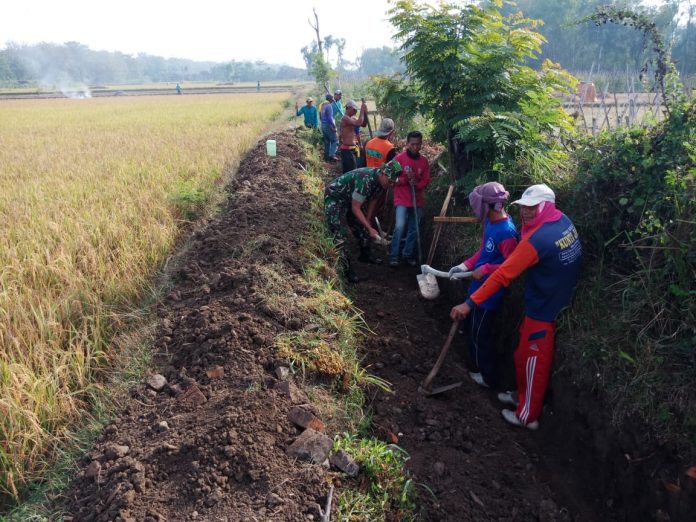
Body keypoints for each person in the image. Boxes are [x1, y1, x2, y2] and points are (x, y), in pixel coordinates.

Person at [450, 184, 582, 430]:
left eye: (532, 208)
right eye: (523, 207)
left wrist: (469, 303)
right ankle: (520, 396)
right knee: (521, 353)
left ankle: (527, 416)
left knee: (534, 361)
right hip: (543, 295)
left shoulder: (538, 240)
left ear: (546, 206)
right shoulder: (561, 221)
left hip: (545, 306)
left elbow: (502, 275)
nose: (525, 212)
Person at [448, 182, 519, 390]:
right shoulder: (490, 222)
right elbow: (484, 252)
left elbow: (511, 267)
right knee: (471, 329)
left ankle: (487, 377)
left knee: (481, 335)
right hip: (477, 287)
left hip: (490, 295)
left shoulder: (507, 233)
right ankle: (473, 363)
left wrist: (487, 269)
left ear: (489, 205)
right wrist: (464, 265)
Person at [324, 160, 403, 283]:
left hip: (350, 198)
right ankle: (346, 270)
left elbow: (373, 200)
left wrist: (368, 222)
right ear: (383, 174)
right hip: (336, 197)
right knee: (339, 233)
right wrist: (369, 228)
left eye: (394, 182)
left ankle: (365, 255)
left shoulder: (381, 183)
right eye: (390, 181)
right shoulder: (366, 180)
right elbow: (355, 208)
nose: (392, 184)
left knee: (362, 225)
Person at [389, 131, 431, 266]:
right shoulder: (398, 159)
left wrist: (417, 184)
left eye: (418, 144)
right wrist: (405, 179)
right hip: (402, 199)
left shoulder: (424, 161)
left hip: (417, 200)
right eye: (412, 144)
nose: (415, 147)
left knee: (414, 228)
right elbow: (391, 178)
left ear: (421, 144)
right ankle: (394, 255)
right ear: (407, 144)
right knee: (400, 226)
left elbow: (426, 180)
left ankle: (407, 254)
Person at [338, 100, 368, 173]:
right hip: (347, 150)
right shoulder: (345, 118)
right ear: (348, 108)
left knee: (355, 169)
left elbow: (363, 124)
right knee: (351, 172)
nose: (355, 112)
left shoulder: (351, 118)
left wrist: (365, 112)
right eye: (354, 110)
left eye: (356, 110)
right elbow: (358, 123)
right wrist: (362, 110)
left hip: (353, 149)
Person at [320, 94, 338, 162]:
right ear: (330, 99)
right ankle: (332, 155)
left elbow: (320, 116)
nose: (333, 100)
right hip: (328, 125)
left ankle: (326, 157)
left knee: (327, 142)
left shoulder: (323, 105)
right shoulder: (329, 106)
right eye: (332, 99)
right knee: (334, 140)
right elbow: (330, 118)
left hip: (323, 125)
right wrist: (334, 126)